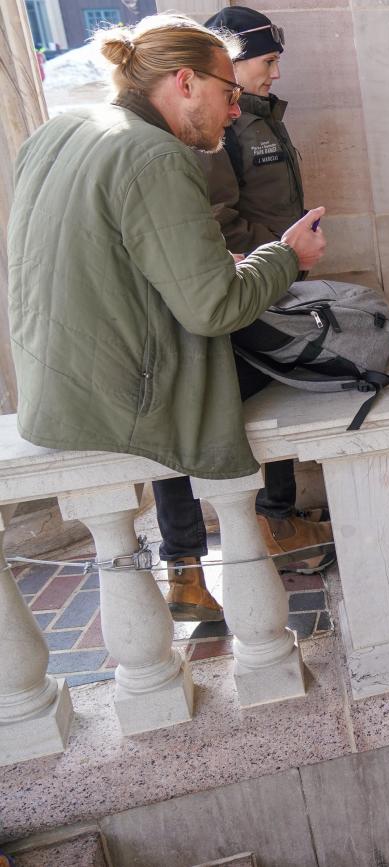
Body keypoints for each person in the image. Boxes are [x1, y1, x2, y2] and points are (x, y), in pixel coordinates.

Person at [7, 14, 327, 620]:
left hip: (56, 385)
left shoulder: (63, 128)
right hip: (122, 395)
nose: (237, 109)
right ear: (185, 82)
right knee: (321, 350)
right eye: (229, 92)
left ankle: (201, 561)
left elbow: (111, 262)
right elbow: (214, 308)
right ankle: (277, 524)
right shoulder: (156, 154)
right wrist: (288, 256)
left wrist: (219, 261)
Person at [146, 6, 333, 622]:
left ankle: (273, 519)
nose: (274, 75)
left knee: (263, 390)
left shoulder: (261, 120)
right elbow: (216, 218)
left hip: (266, 278)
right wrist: (278, 253)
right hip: (233, 287)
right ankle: (186, 566)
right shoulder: (200, 135)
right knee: (182, 422)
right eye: (265, 63)